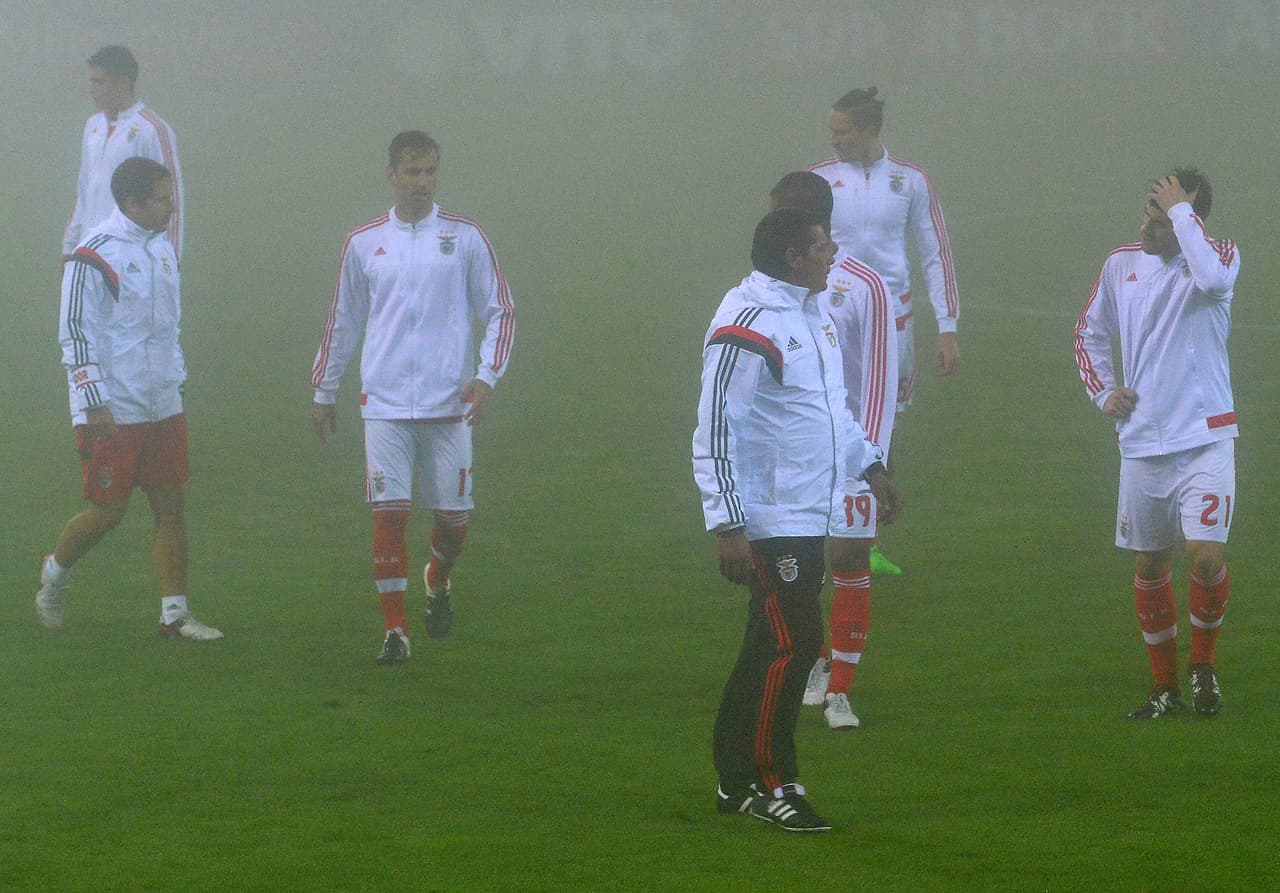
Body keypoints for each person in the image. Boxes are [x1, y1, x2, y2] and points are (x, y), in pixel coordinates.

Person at [693, 207, 901, 832]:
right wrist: (728, 522)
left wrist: (873, 466)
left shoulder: (813, 316)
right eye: (821, 244)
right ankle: (775, 783)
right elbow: (714, 426)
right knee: (796, 643)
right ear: (792, 256)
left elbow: (832, 412)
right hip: (769, 518)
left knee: (766, 646)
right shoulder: (747, 323)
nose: (833, 251)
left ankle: (736, 782)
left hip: (807, 511)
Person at [310, 130, 515, 664]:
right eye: (412, 172)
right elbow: (344, 320)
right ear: (392, 176)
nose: (422, 182)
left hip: (451, 406)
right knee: (391, 516)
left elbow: (500, 311)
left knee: (453, 523)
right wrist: (324, 389)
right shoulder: (364, 242)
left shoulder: (466, 237)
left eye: (430, 172)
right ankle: (396, 632)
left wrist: (486, 376)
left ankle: (438, 579)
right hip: (384, 404)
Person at [1074, 168, 1239, 718]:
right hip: (1143, 441)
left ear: (1189, 221)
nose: (1146, 229)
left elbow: (1213, 282)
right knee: (1149, 565)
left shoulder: (1217, 258)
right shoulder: (1121, 265)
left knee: (1205, 554)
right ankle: (1164, 686)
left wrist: (1181, 214)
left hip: (1205, 438)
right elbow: (1088, 333)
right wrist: (1103, 392)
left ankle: (1203, 667)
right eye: (1146, 215)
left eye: (1161, 219)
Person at [36, 156, 221, 641]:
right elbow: (76, 332)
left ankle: (174, 616)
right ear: (131, 203)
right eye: (162, 199)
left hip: (163, 403)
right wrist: (93, 399)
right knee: (108, 513)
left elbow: (167, 327)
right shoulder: (93, 254)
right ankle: (54, 572)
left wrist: (175, 380)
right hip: (113, 410)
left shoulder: (162, 250)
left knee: (171, 506)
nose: (172, 206)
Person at [766, 173, 899, 731]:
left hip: (849, 451)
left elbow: (877, 380)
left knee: (847, 557)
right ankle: (818, 656)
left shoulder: (862, 286)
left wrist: (871, 461)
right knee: (799, 565)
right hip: (789, 456)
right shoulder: (767, 290)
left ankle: (840, 686)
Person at [810, 86, 958, 573]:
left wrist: (947, 327)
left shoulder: (910, 181)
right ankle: (815, 524)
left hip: (893, 324)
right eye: (831, 132)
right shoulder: (819, 181)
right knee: (826, 413)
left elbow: (935, 251)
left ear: (870, 131)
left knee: (882, 422)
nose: (835, 141)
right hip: (832, 318)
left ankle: (865, 536)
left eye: (843, 132)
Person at [63, 45, 183, 261]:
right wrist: (69, 246)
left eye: (99, 82)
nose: (91, 89)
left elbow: (172, 200)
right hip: (89, 254)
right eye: (90, 81)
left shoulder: (152, 129)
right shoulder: (92, 127)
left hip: (130, 260)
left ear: (123, 83)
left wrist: (169, 262)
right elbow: (84, 190)